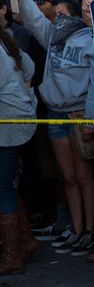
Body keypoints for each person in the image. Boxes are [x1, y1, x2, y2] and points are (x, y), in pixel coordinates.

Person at [5, 0, 94, 257]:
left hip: (79, 115)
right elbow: (32, 17)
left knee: (85, 178)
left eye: (62, 15)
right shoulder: (52, 38)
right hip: (56, 114)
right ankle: (74, 228)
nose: (56, 20)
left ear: (75, 15)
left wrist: (92, 118)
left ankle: (89, 232)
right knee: (67, 178)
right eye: (55, 15)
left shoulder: (88, 38)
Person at [0, 23, 39, 275]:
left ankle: (13, 255)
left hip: (8, 125)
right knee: (6, 186)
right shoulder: (6, 42)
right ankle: (25, 241)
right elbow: (29, 68)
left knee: (3, 188)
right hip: (15, 120)